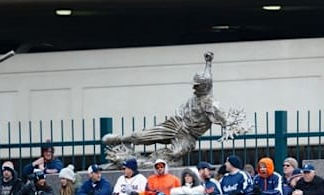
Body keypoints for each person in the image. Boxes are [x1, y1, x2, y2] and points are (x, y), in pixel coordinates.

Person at [102, 51, 249, 167]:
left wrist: (232, 126)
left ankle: (151, 160)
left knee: (176, 152)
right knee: (142, 136)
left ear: (204, 87)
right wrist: (208, 62)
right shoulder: (204, 89)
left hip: (188, 135)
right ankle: (119, 139)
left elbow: (223, 120)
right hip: (177, 123)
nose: (194, 87)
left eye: (197, 86)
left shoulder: (210, 104)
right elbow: (209, 75)